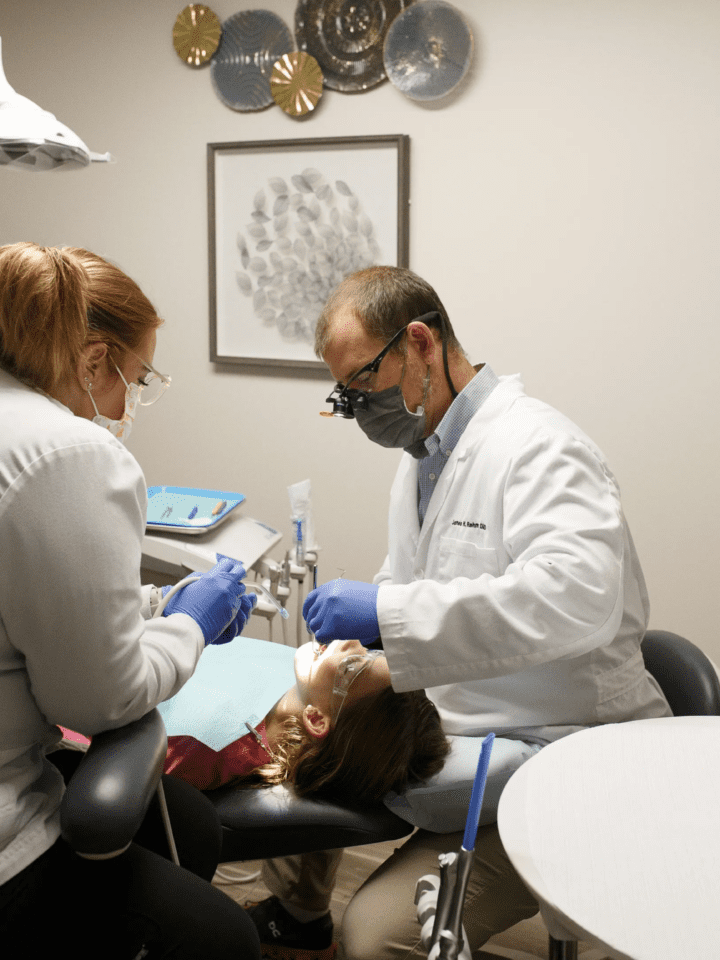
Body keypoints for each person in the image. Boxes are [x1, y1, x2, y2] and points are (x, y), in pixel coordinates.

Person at [247, 265, 672, 960]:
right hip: (477, 740)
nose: (357, 409)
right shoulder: (424, 455)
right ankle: (297, 912)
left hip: (572, 757)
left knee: (377, 943)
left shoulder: (541, 448)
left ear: (420, 343)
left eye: (362, 383)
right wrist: (376, 630)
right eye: (344, 395)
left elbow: (579, 599)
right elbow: (425, 582)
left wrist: (387, 612)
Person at [0, 242, 261, 959]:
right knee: (225, 940)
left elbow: (29, 604)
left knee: (189, 821)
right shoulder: (67, 451)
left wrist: (152, 606)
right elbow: (101, 699)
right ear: (91, 360)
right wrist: (190, 625)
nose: (126, 404)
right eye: (134, 379)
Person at [157, 636, 449, 803]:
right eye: (371, 651)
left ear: (317, 720)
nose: (352, 641)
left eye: (352, 667)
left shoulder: (201, 744)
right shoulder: (303, 675)